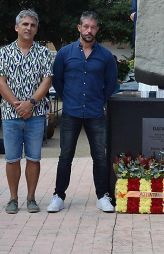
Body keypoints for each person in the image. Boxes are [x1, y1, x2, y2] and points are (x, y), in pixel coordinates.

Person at [47, 11, 118, 213]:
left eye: (93, 27)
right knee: (65, 156)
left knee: (99, 156)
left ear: (97, 29)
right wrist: (68, 99)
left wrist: (99, 101)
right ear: (79, 27)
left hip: (95, 113)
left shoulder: (105, 55)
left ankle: (102, 196)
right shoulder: (64, 53)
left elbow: (111, 83)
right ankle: (58, 196)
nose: (89, 30)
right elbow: (57, 80)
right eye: (85, 26)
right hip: (71, 112)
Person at [0, 9, 53, 214]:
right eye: (25, 24)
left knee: (34, 157)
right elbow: (0, 82)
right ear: (16, 27)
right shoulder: (4, 52)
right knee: (11, 158)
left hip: (36, 115)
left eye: (33, 25)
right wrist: (18, 106)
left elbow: (47, 81)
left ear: (36, 29)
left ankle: (31, 198)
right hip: (11, 116)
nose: (29, 28)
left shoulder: (44, 53)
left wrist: (30, 103)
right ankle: (13, 198)